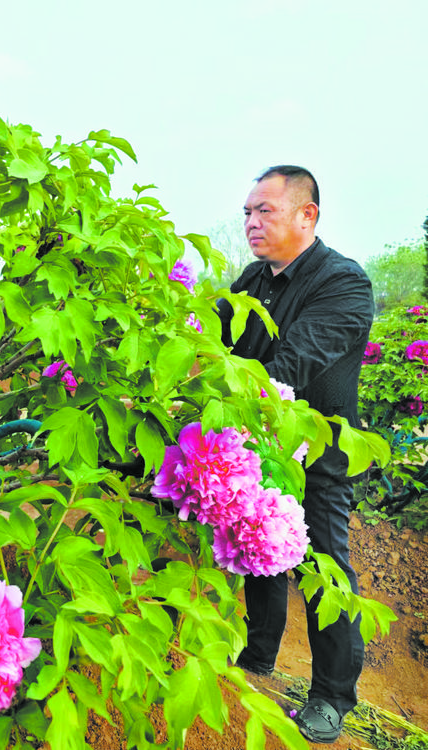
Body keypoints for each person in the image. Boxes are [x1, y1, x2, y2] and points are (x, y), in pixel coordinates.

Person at [216, 165, 374, 743]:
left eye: (266, 211)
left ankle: (333, 697)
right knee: (256, 553)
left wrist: (232, 404)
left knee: (324, 571)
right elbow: (217, 344)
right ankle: (258, 658)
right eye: (248, 213)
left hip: (319, 459)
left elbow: (294, 364)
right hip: (258, 449)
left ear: (307, 215)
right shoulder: (252, 280)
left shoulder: (343, 282)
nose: (253, 223)